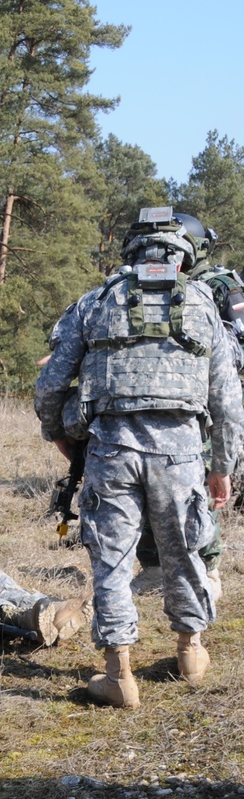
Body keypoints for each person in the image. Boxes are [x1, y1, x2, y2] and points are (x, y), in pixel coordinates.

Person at [35, 206, 243, 709]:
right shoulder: (203, 306)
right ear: (185, 253)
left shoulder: (94, 303)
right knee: (186, 554)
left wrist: (58, 434)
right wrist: (223, 468)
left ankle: (118, 674)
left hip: (112, 452)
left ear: (130, 250)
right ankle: (191, 653)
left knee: (112, 562)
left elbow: (49, 385)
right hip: (183, 455)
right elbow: (228, 400)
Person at [134, 212, 244, 598]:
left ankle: (207, 567)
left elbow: (238, 346)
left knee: (201, 491)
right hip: (159, 399)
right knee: (149, 485)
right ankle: (153, 566)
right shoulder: (147, 284)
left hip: (209, 404)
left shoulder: (219, 285)